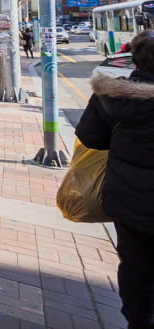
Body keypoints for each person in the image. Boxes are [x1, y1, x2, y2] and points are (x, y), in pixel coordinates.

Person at [75, 29, 154, 329]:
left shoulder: (110, 95)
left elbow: (89, 137)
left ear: (134, 59)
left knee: (135, 268)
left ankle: (139, 321)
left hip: (129, 201)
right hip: (128, 200)